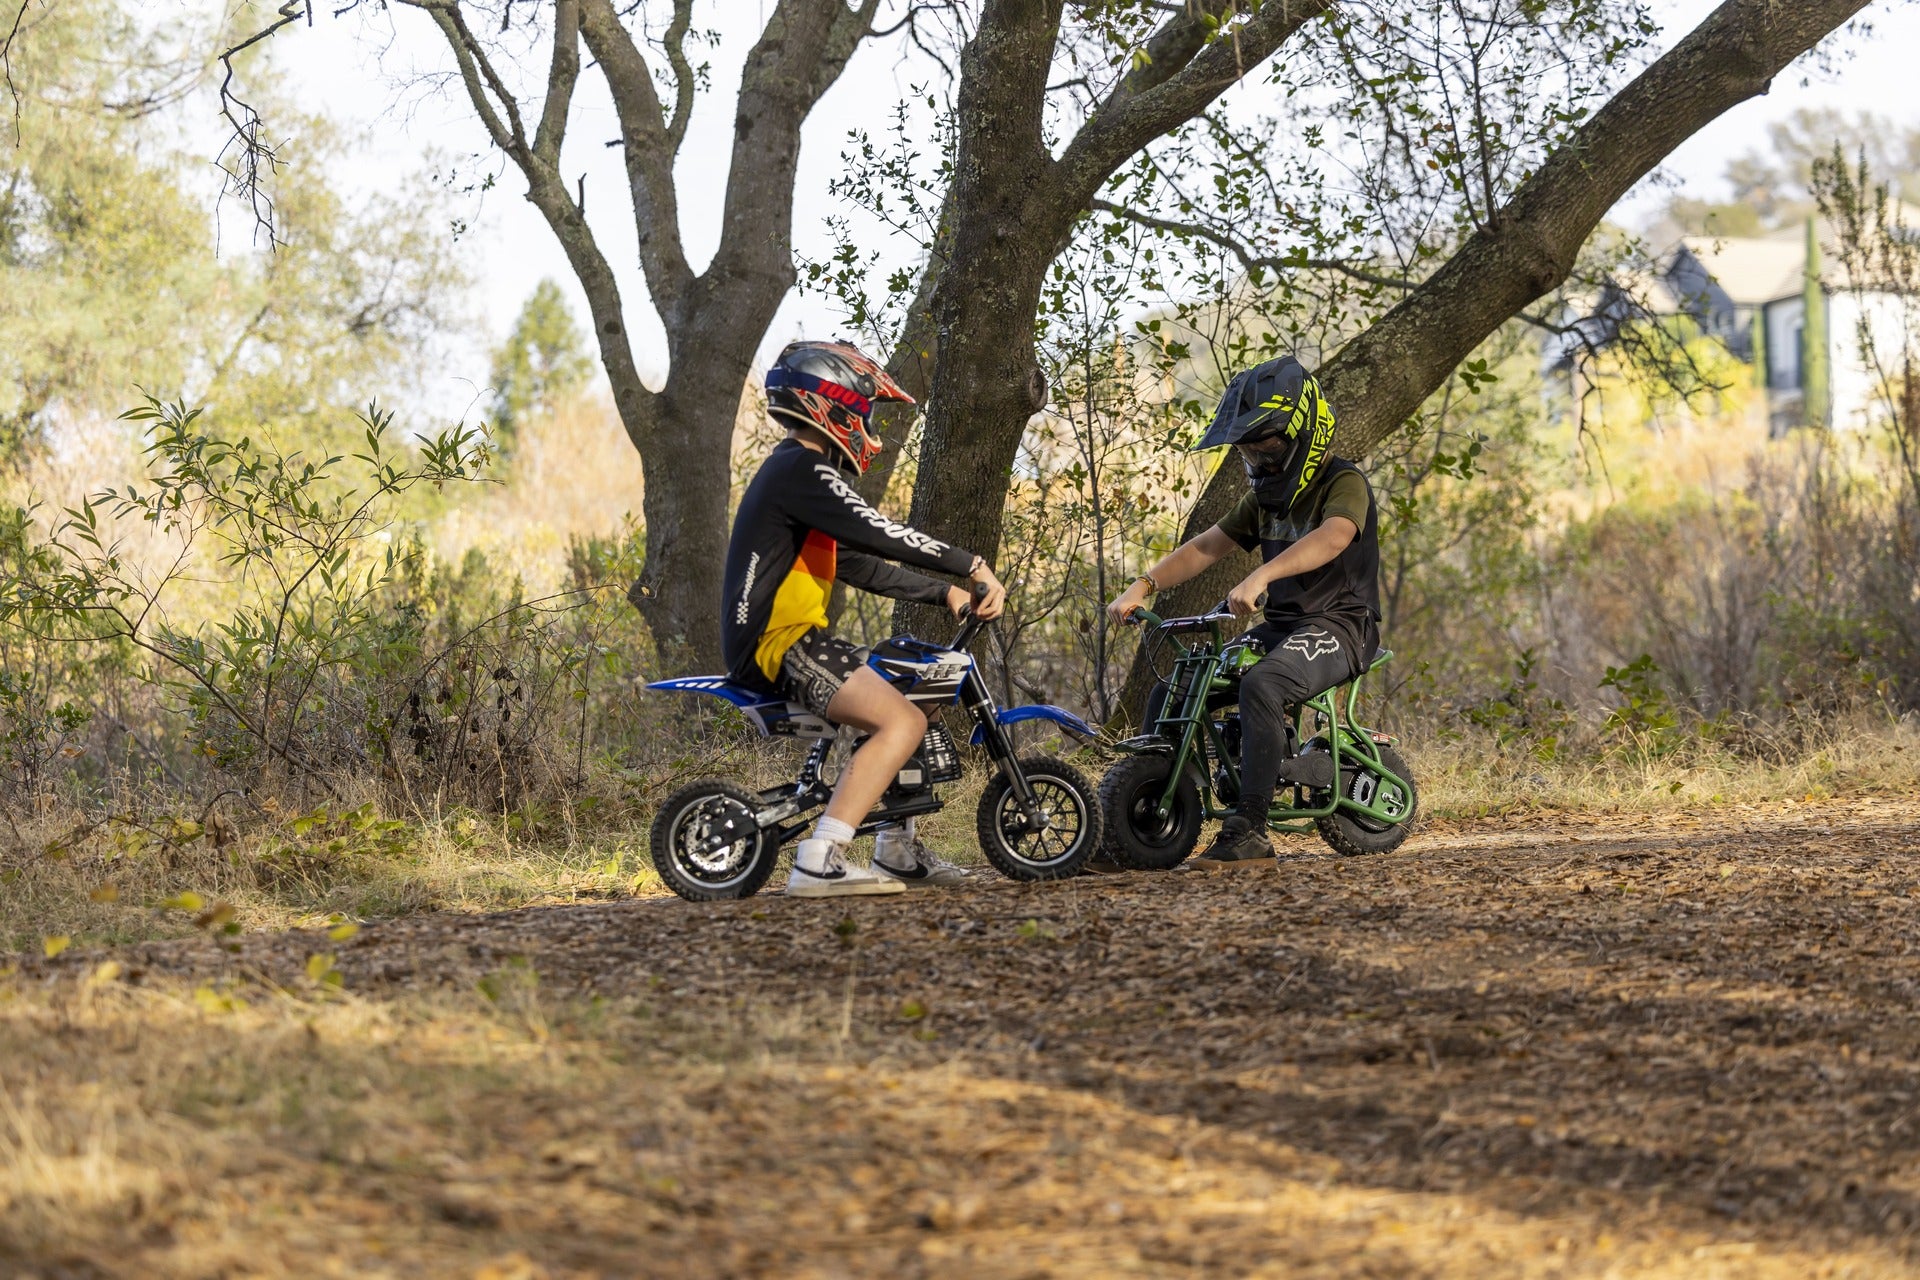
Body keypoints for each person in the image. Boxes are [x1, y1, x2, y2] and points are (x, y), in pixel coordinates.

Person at [721, 339, 1007, 897]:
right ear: (835, 409)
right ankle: (818, 859)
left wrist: (944, 592)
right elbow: (879, 533)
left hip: (788, 642)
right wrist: (970, 565)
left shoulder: (796, 476)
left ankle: (897, 851)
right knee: (903, 722)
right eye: (866, 415)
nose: (870, 430)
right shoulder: (804, 470)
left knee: (912, 689)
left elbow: (858, 563)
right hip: (780, 644)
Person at [1106, 355, 1381, 868]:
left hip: (1342, 626)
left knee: (1264, 685)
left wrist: (1263, 575)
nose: (1256, 455)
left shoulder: (1343, 482)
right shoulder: (1263, 501)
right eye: (1248, 446)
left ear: (1304, 430)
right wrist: (1142, 586)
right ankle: (1155, 812)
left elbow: (1334, 536)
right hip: (1282, 628)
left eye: (1267, 441)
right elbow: (1206, 547)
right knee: (1180, 683)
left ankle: (1251, 827)